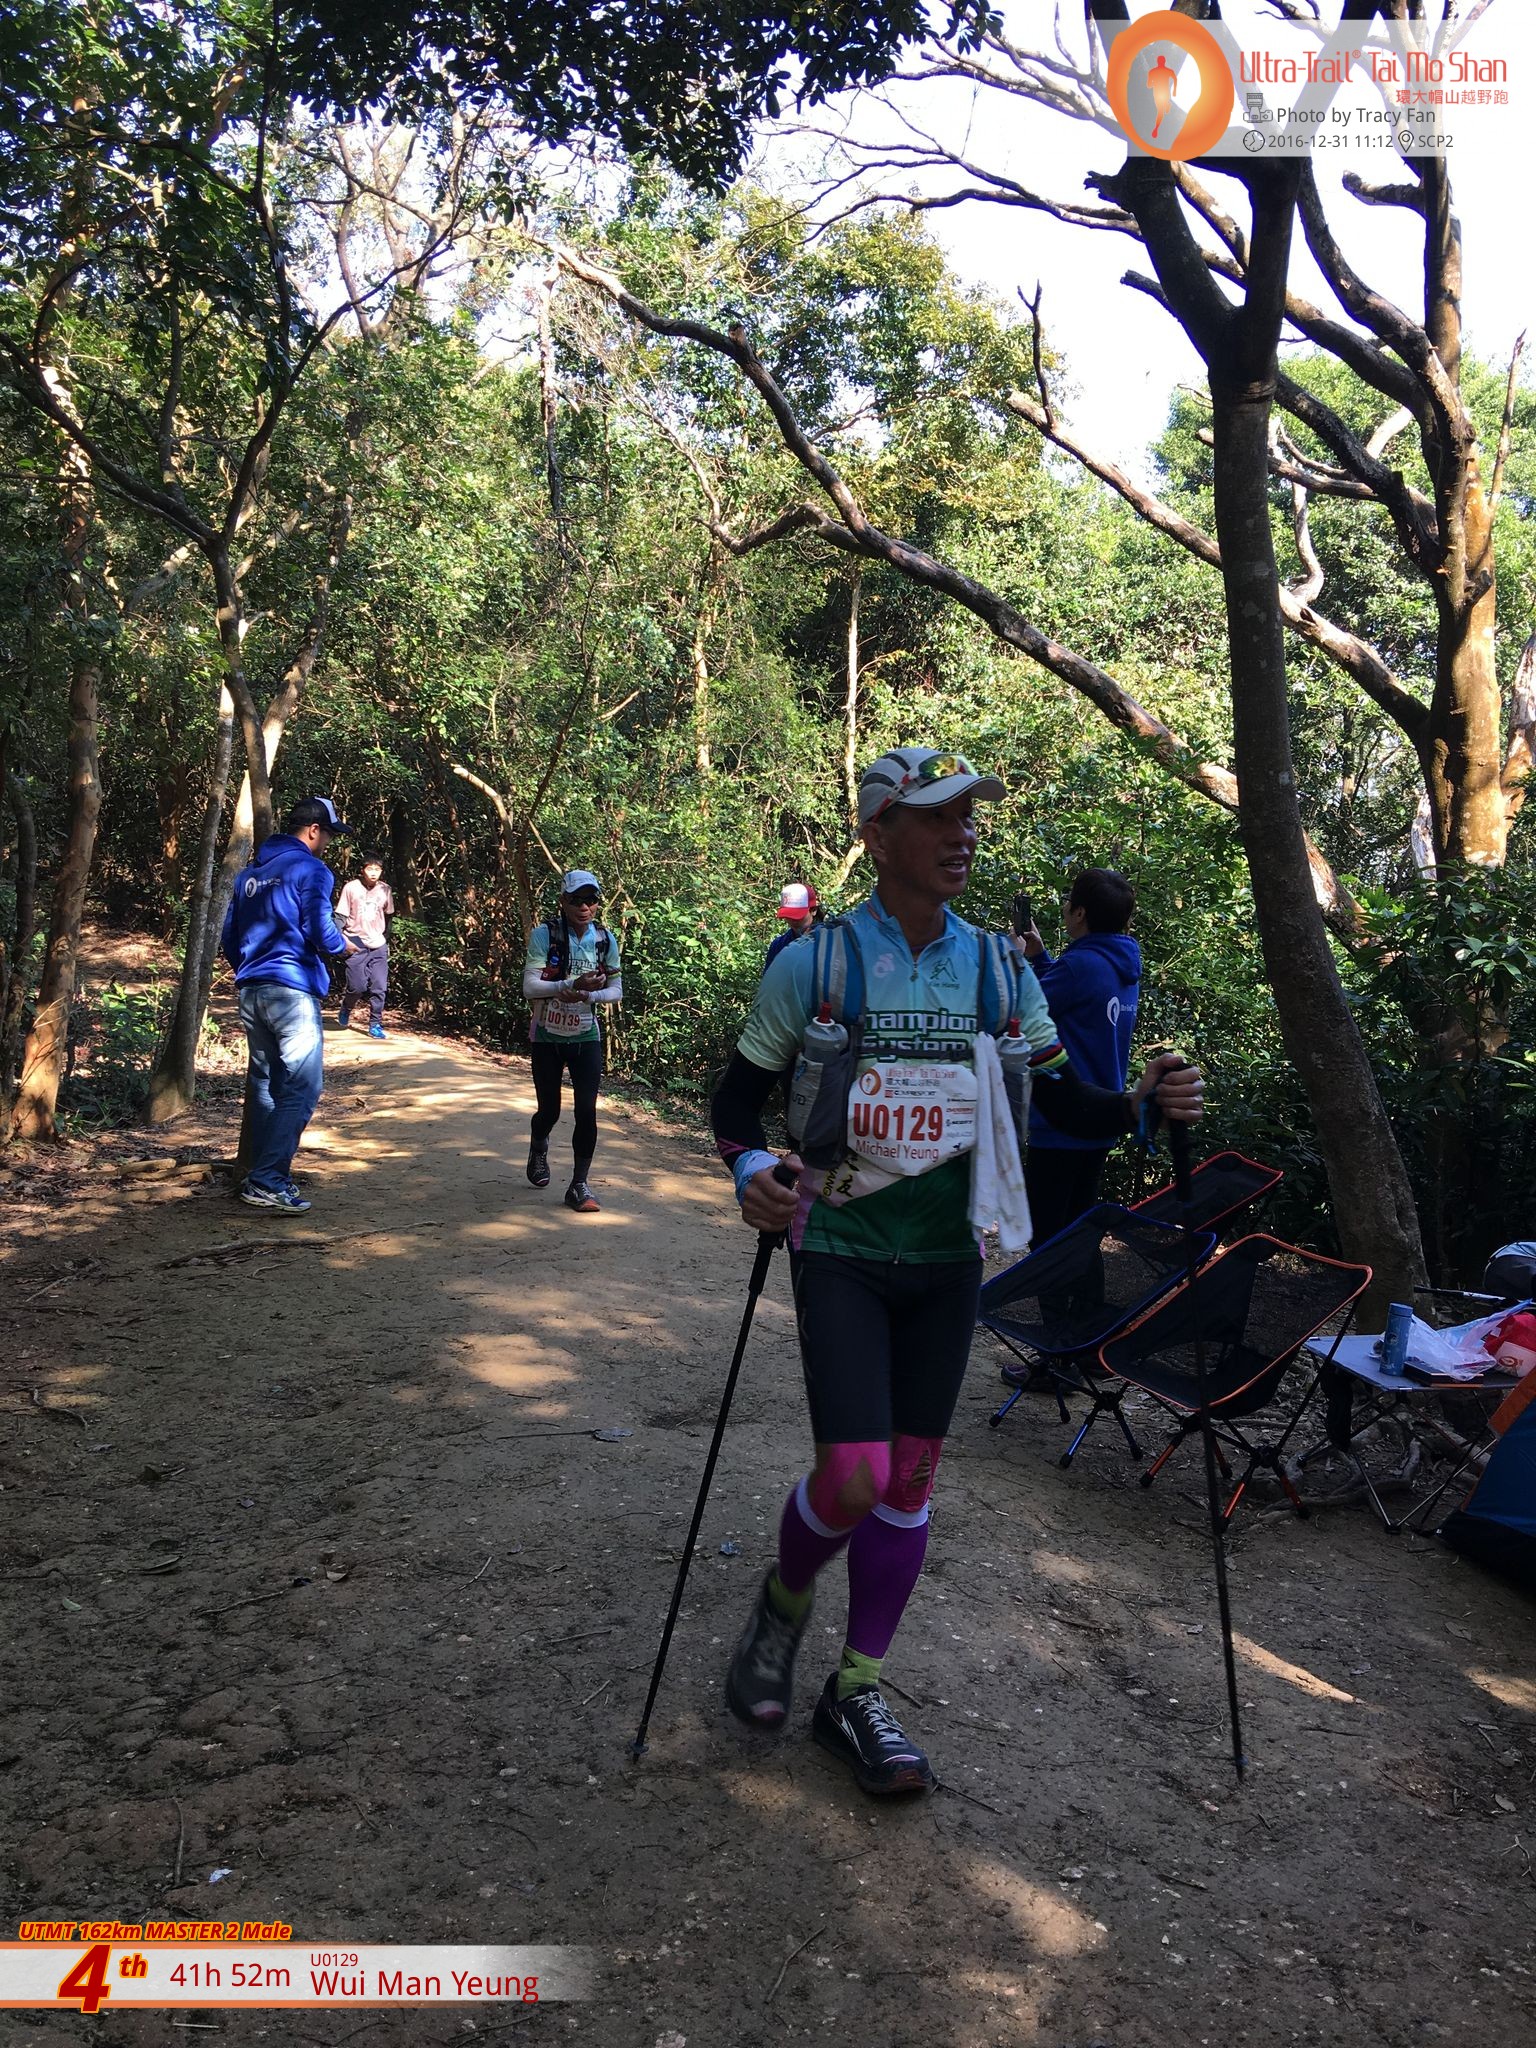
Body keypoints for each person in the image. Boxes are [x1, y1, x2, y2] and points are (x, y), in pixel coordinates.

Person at [709, 746, 1202, 1797]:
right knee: (854, 1475)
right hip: (841, 1248)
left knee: (910, 1479)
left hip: (947, 1258)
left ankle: (856, 1689)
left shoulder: (997, 970)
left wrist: (1141, 1101)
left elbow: (1062, 1099)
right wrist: (754, 1169)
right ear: (878, 834)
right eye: (937, 815)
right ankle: (782, 1605)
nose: (962, 832)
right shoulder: (817, 963)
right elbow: (735, 1100)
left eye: (969, 815)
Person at [221, 796, 356, 1215]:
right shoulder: (311, 869)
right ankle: (268, 1180)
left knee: (267, 1084)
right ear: (314, 830)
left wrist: (252, 969)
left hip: (252, 990)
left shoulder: (249, 875)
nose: (328, 843)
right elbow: (319, 928)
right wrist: (342, 946)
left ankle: (256, 1177)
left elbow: (229, 936)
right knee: (302, 1086)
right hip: (291, 990)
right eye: (328, 834)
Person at [1017, 867, 1141, 1248]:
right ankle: (1083, 1289)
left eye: (1069, 900)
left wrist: (1015, 962)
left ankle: (1065, 1292)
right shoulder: (1123, 965)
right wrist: (1041, 958)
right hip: (1102, 1116)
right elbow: (1074, 1003)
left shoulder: (1078, 966)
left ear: (1081, 913)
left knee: (1046, 1240)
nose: (1066, 906)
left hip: (1062, 1121)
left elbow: (1021, 1012)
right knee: (1078, 1232)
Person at [521, 869, 623, 1214]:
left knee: (586, 1112)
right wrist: (568, 986)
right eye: (576, 900)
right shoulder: (545, 934)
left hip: (586, 1036)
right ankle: (539, 1145)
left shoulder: (605, 939)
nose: (584, 907)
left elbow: (616, 990)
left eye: (590, 900)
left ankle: (579, 1184)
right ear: (563, 901)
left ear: (598, 904)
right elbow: (530, 987)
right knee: (549, 1111)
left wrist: (588, 996)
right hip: (547, 1037)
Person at [336, 854, 395, 1039]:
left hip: (378, 944)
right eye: (370, 869)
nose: (374, 873)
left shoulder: (385, 889)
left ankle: (375, 1024)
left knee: (379, 987)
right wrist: (339, 940)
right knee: (357, 986)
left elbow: (389, 916)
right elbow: (340, 916)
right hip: (355, 941)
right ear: (363, 870)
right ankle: (346, 1007)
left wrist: (385, 937)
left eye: (377, 870)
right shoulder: (351, 888)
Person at [764, 882, 821, 972]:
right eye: (789, 916)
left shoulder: (829, 942)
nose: (793, 920)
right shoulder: (778, 946)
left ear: (813, 911)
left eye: (798, 915)